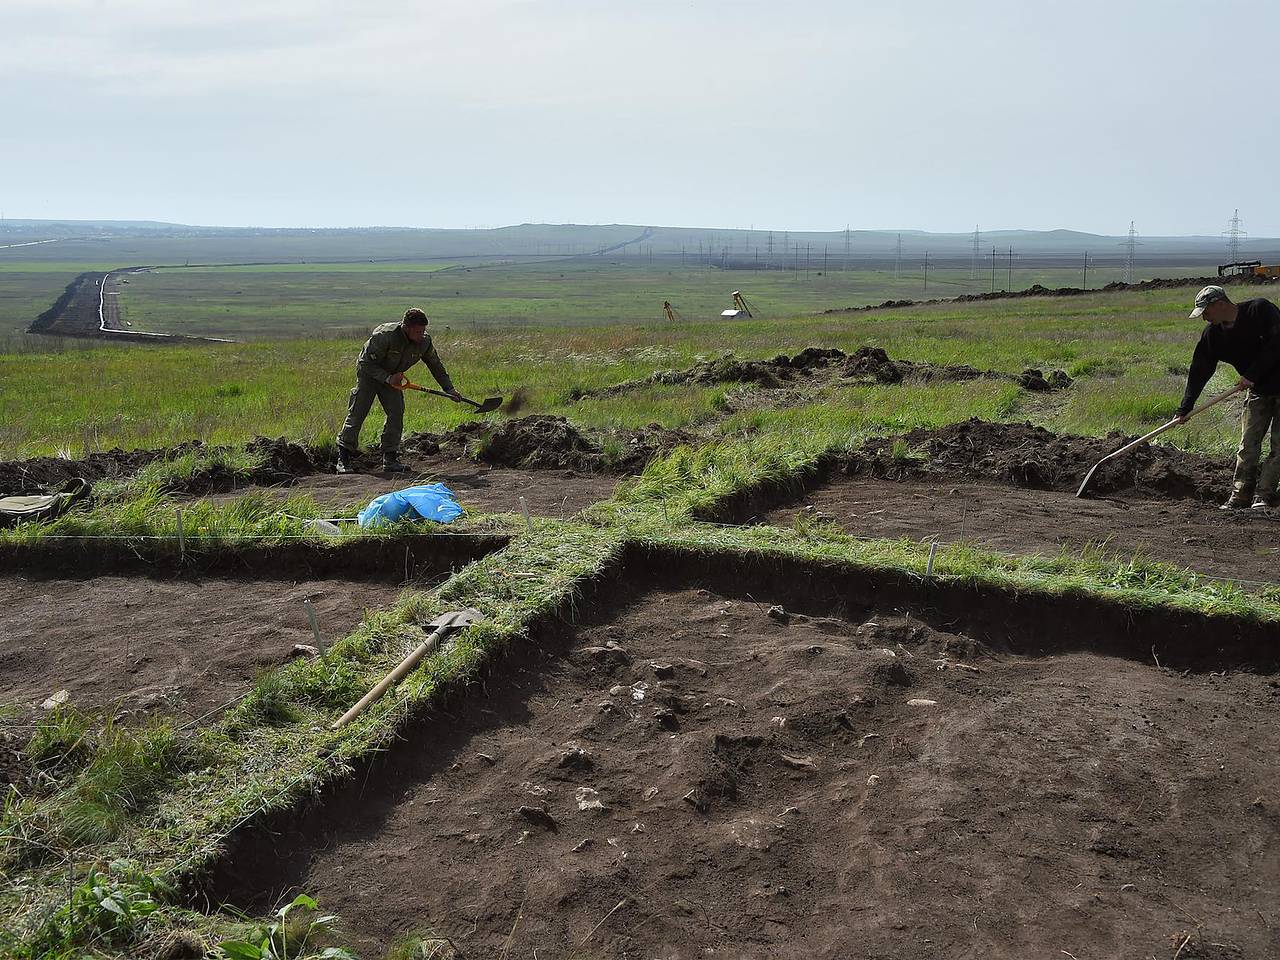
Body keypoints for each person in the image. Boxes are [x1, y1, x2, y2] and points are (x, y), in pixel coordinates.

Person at [1176, 285, 1280, 509]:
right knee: (1248, 444)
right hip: (1259, 391)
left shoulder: (1260, 310)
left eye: (1206, 312)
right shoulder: (1213, 335)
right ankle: (1240, 496)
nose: (1204, 317)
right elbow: (1199, 369)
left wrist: (1252, 374)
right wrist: (1185, 407)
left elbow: (1277, 343)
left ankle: (1265, 495)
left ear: (1220, 304)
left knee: (1279, 446)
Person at [336, 308, 462, 474]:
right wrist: (387, 378)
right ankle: (343, 459)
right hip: (370, 375)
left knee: (396, 412)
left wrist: (449, 389)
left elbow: (435, 365)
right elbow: (365, 363)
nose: (421, 334)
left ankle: (390, 458)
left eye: (424, 330)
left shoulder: (424, 342)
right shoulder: (384, 336)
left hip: (394, 380)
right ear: (406, 327)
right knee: (358, 412)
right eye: (418, 331)